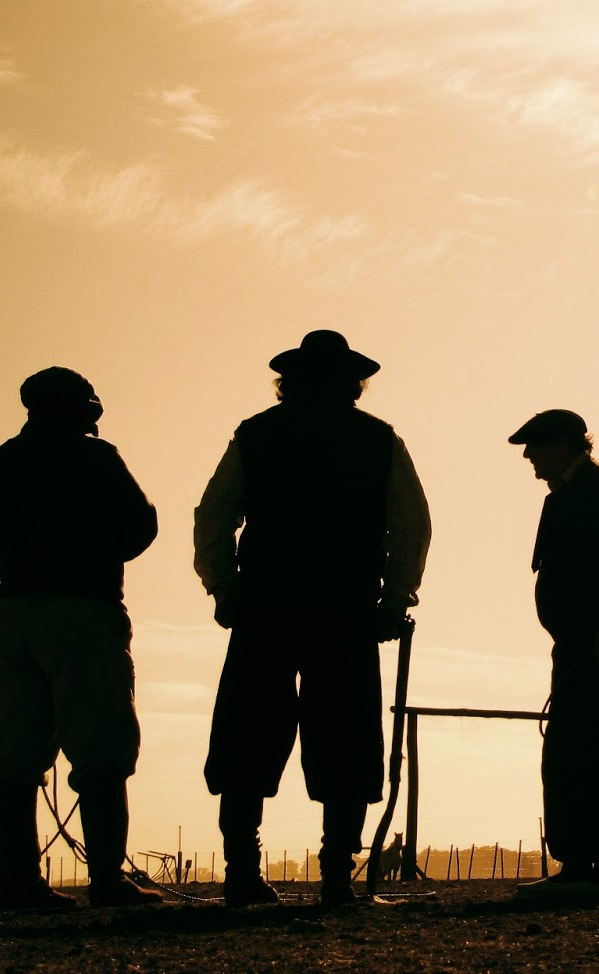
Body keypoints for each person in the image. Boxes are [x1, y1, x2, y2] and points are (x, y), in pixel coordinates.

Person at [195, 330, 430, 907]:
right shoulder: (378, 440)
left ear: (290, 380)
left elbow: (213, 517)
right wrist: (396, 598)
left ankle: (243, 874)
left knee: (247, 738)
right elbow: (412, 525)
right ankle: (334, 879)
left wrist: (224, 589)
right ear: (352, 381)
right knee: (346, 739)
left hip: (265, 607)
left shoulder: (256, 434)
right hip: (344, 609)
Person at [0, 367, 162, 909]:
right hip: (84, 610)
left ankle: (18, 883)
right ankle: (106, 879)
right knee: (102, 744)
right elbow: (141, 526)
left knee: (14, 750)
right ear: (86, 409)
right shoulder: (96, 459)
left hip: (13, 611)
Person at [508, 409, 599, 902]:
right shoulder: (571, 495)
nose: (529, 456)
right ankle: (581, 866)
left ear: (565, 444)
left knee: (593, 749)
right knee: (573, 751)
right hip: (578, 647)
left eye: (537, 446)